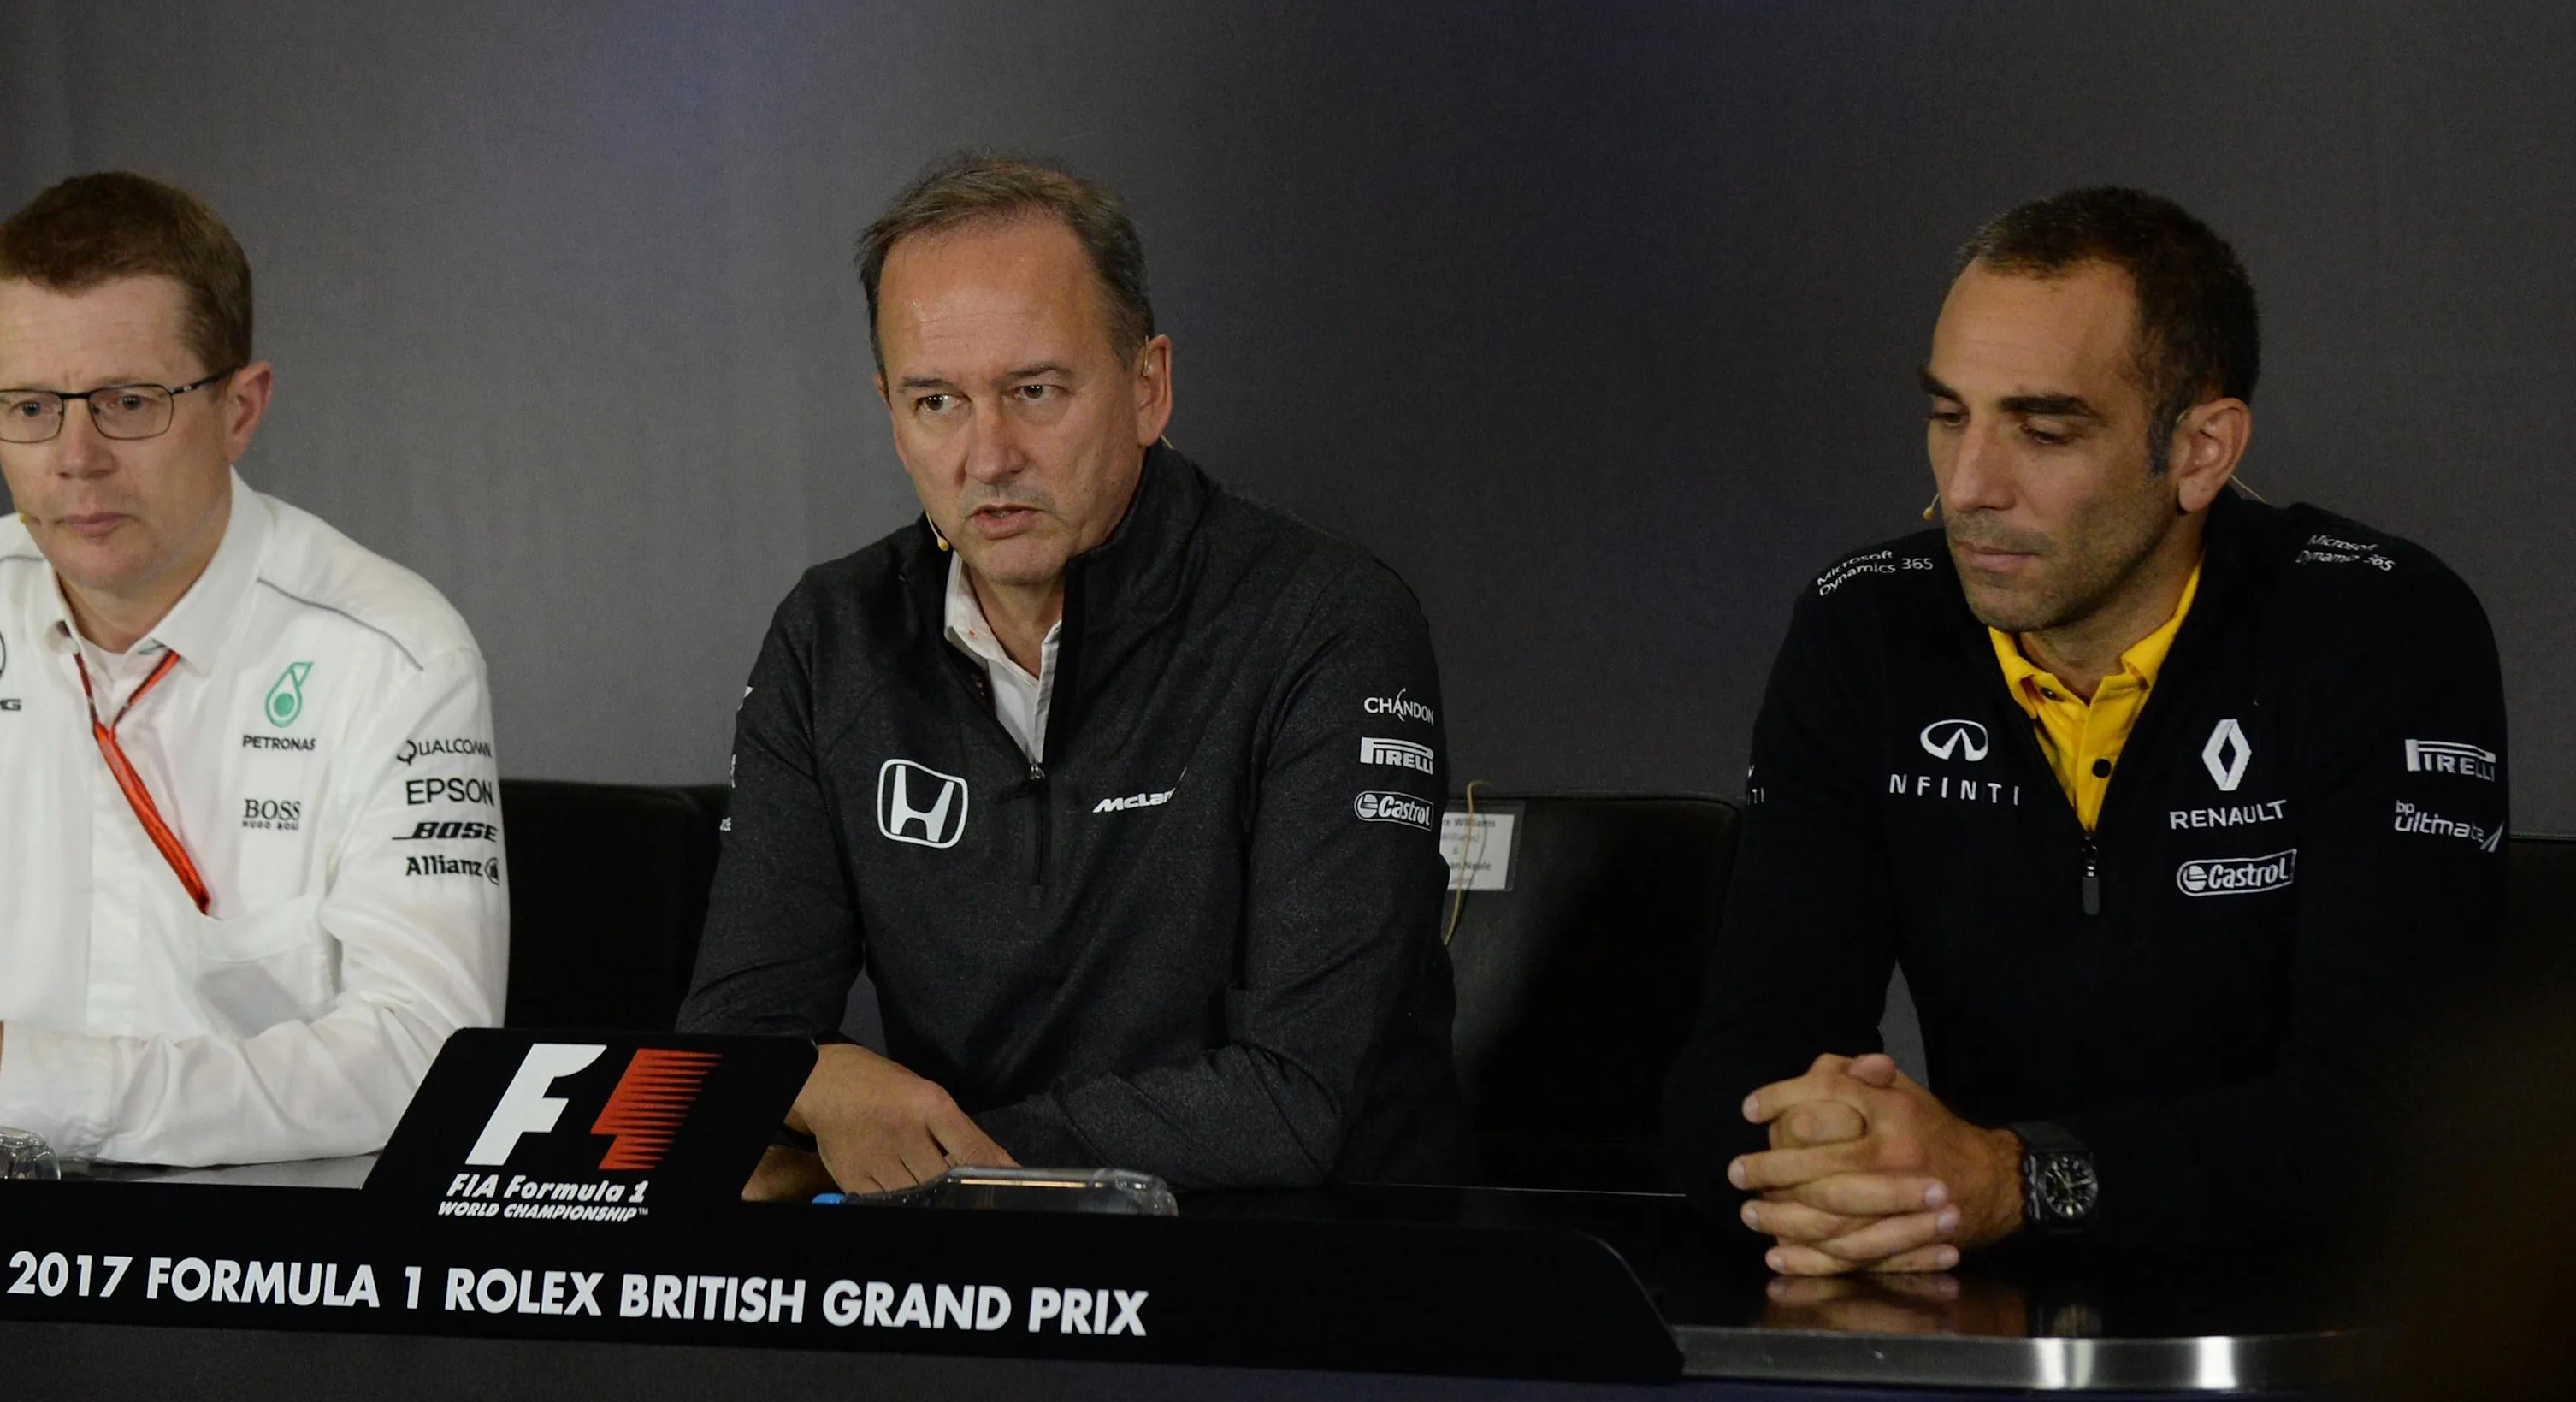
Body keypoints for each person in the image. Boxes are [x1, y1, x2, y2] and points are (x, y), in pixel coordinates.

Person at [1662, 186, 2505, 1271]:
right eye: (1946, 415)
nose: (1969, 486)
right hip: (1986, 1308)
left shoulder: (2377, 627)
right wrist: (1815, 1156)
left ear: (2200, 449)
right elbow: (1743, 1050)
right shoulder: (1866, 628)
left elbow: (2392, 1118)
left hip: (2326, 1323)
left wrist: (2020, 1180)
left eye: (2043, 430)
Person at [677, 154, 1468, 1195]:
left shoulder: (1325, 622)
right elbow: (736, 1031)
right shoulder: (832, 636)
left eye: (1033, 391)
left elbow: (1294, 1103)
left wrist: (923, 1167)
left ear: (1148, 388)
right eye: (936, 402)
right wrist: (824, 1095)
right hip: (973, 1303)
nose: (987, 454)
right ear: (888, 411)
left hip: (1297, 1296)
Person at [0, 172, 508, 1164]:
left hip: (263, 1271)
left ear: (240, 407)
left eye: (127, 402)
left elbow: (430, 1061)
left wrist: (30, 1084)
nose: (74, 458)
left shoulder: (395, 655)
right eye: (29, 406)